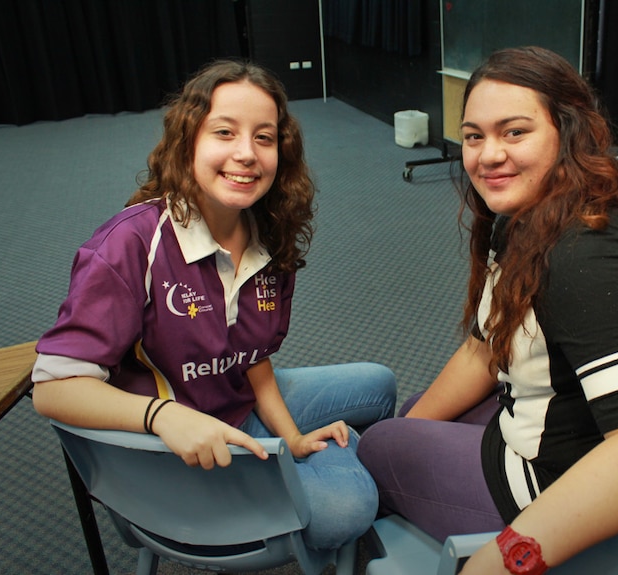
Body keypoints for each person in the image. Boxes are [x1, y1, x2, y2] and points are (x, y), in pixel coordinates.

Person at [31, 59, 396, 552]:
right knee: (345, 508)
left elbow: (252, 356)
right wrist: (163, 417)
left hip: (234, 403)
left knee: (380, 384)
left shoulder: (266, 232)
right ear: (188, 143)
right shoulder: (130, 244)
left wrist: (289, 438)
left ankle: (299, 461)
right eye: (225, 132)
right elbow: (53, 389)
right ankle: (329, 472)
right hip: (174, 447)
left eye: (264, 138)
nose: (246, 153)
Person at [357, 46, 618, 574]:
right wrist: (414, 431)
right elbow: (485, 344)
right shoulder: (530, 214)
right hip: (545, 425)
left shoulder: (588, 258)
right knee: (416, 412)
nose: (488, 155)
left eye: (514, 132)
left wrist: (507, 558)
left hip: (552, 482)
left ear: (568, 133)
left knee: (375, 445)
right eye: (474, 136)